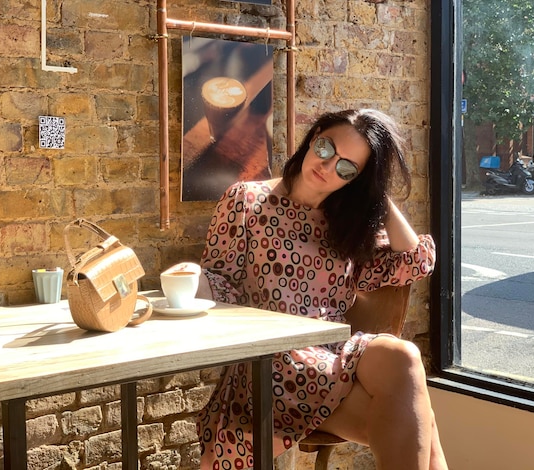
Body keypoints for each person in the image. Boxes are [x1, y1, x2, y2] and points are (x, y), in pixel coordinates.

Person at [169, 109, 448, 469]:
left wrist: (377, 194)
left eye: (348, 169)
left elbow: (416, 262)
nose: (328, 167)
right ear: (314, 135)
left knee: (404, 356)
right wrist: (193, 277)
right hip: (274, 357)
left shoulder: (347, 223)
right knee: (417, 417)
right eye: (326, 148)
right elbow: (224, 283)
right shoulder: (246, 200)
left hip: (336, 348)